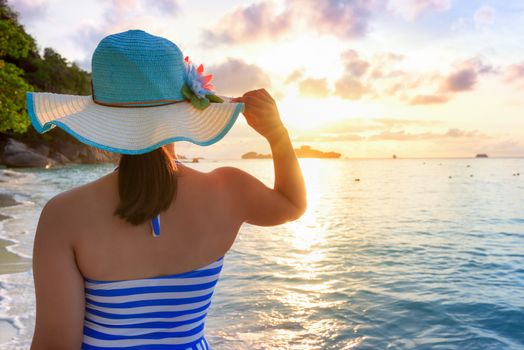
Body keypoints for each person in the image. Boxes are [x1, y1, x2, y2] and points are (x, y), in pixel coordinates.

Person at [28, 30, 306, 349]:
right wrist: (277, 135)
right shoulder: (229, 190)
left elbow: (56, 344)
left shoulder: (65, 215)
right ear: (186, 102)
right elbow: (292, 204)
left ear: (100, 108)